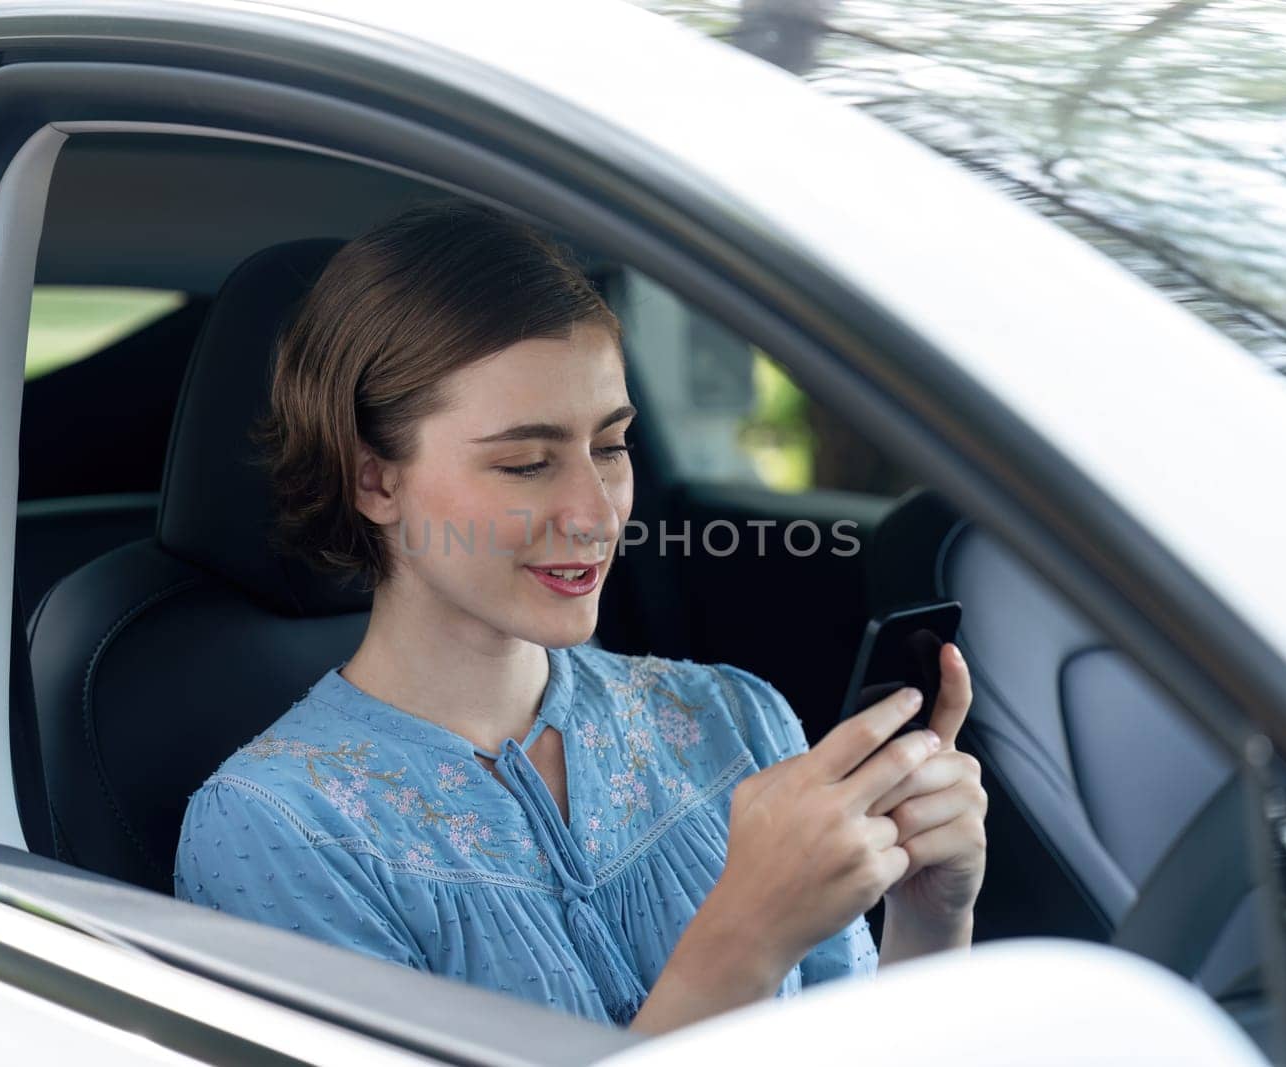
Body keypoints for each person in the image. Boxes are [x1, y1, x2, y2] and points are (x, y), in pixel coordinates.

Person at [172, 199, 986, 1035]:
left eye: (611, 447)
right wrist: (744, 938)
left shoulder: (732, 719)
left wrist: (929, 916)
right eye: (526, 463)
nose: (596, 512)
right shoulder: (278, 831)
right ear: (375, 481)